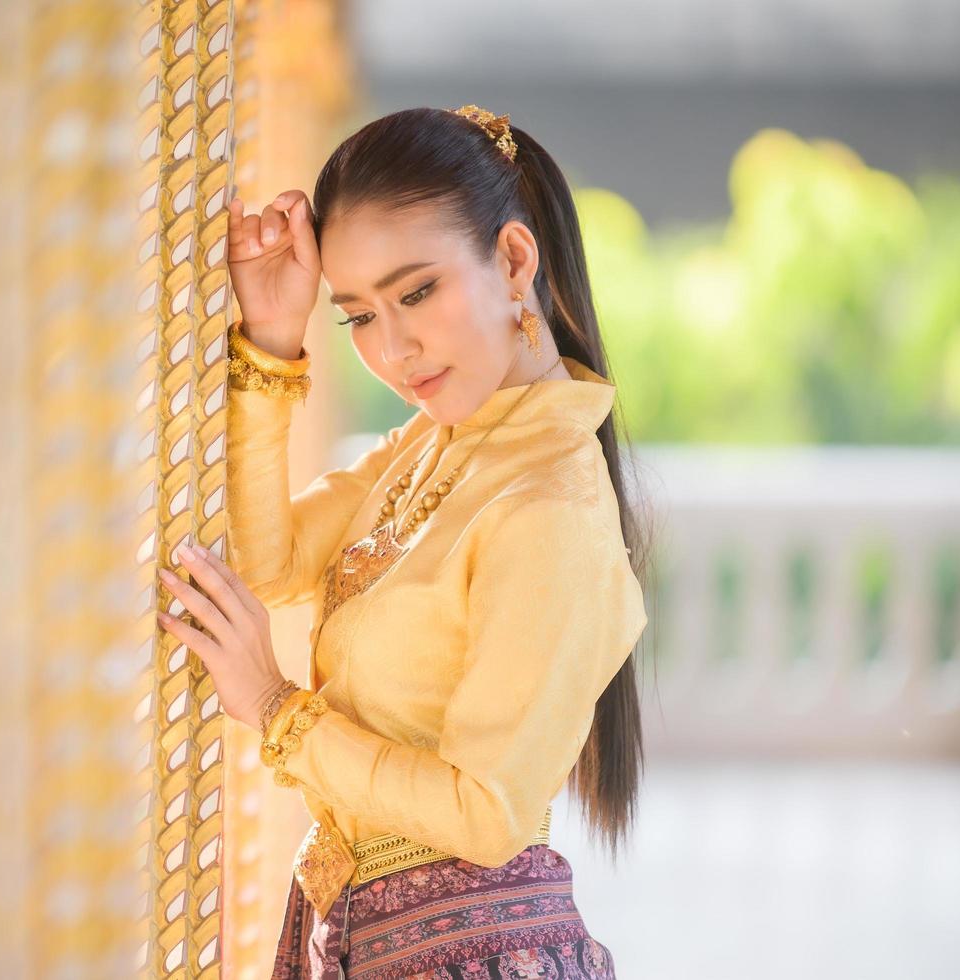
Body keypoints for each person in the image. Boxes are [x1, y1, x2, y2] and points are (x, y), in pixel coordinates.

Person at [156, 105, 648, 980]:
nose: (393, 349)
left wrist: (273, 706)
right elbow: (268, 564)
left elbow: (485, 812)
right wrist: (273, 339)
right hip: (358, 936)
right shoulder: (430, 448)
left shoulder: (549, 506)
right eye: (357, 316)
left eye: (415, 293)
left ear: (512, 261)